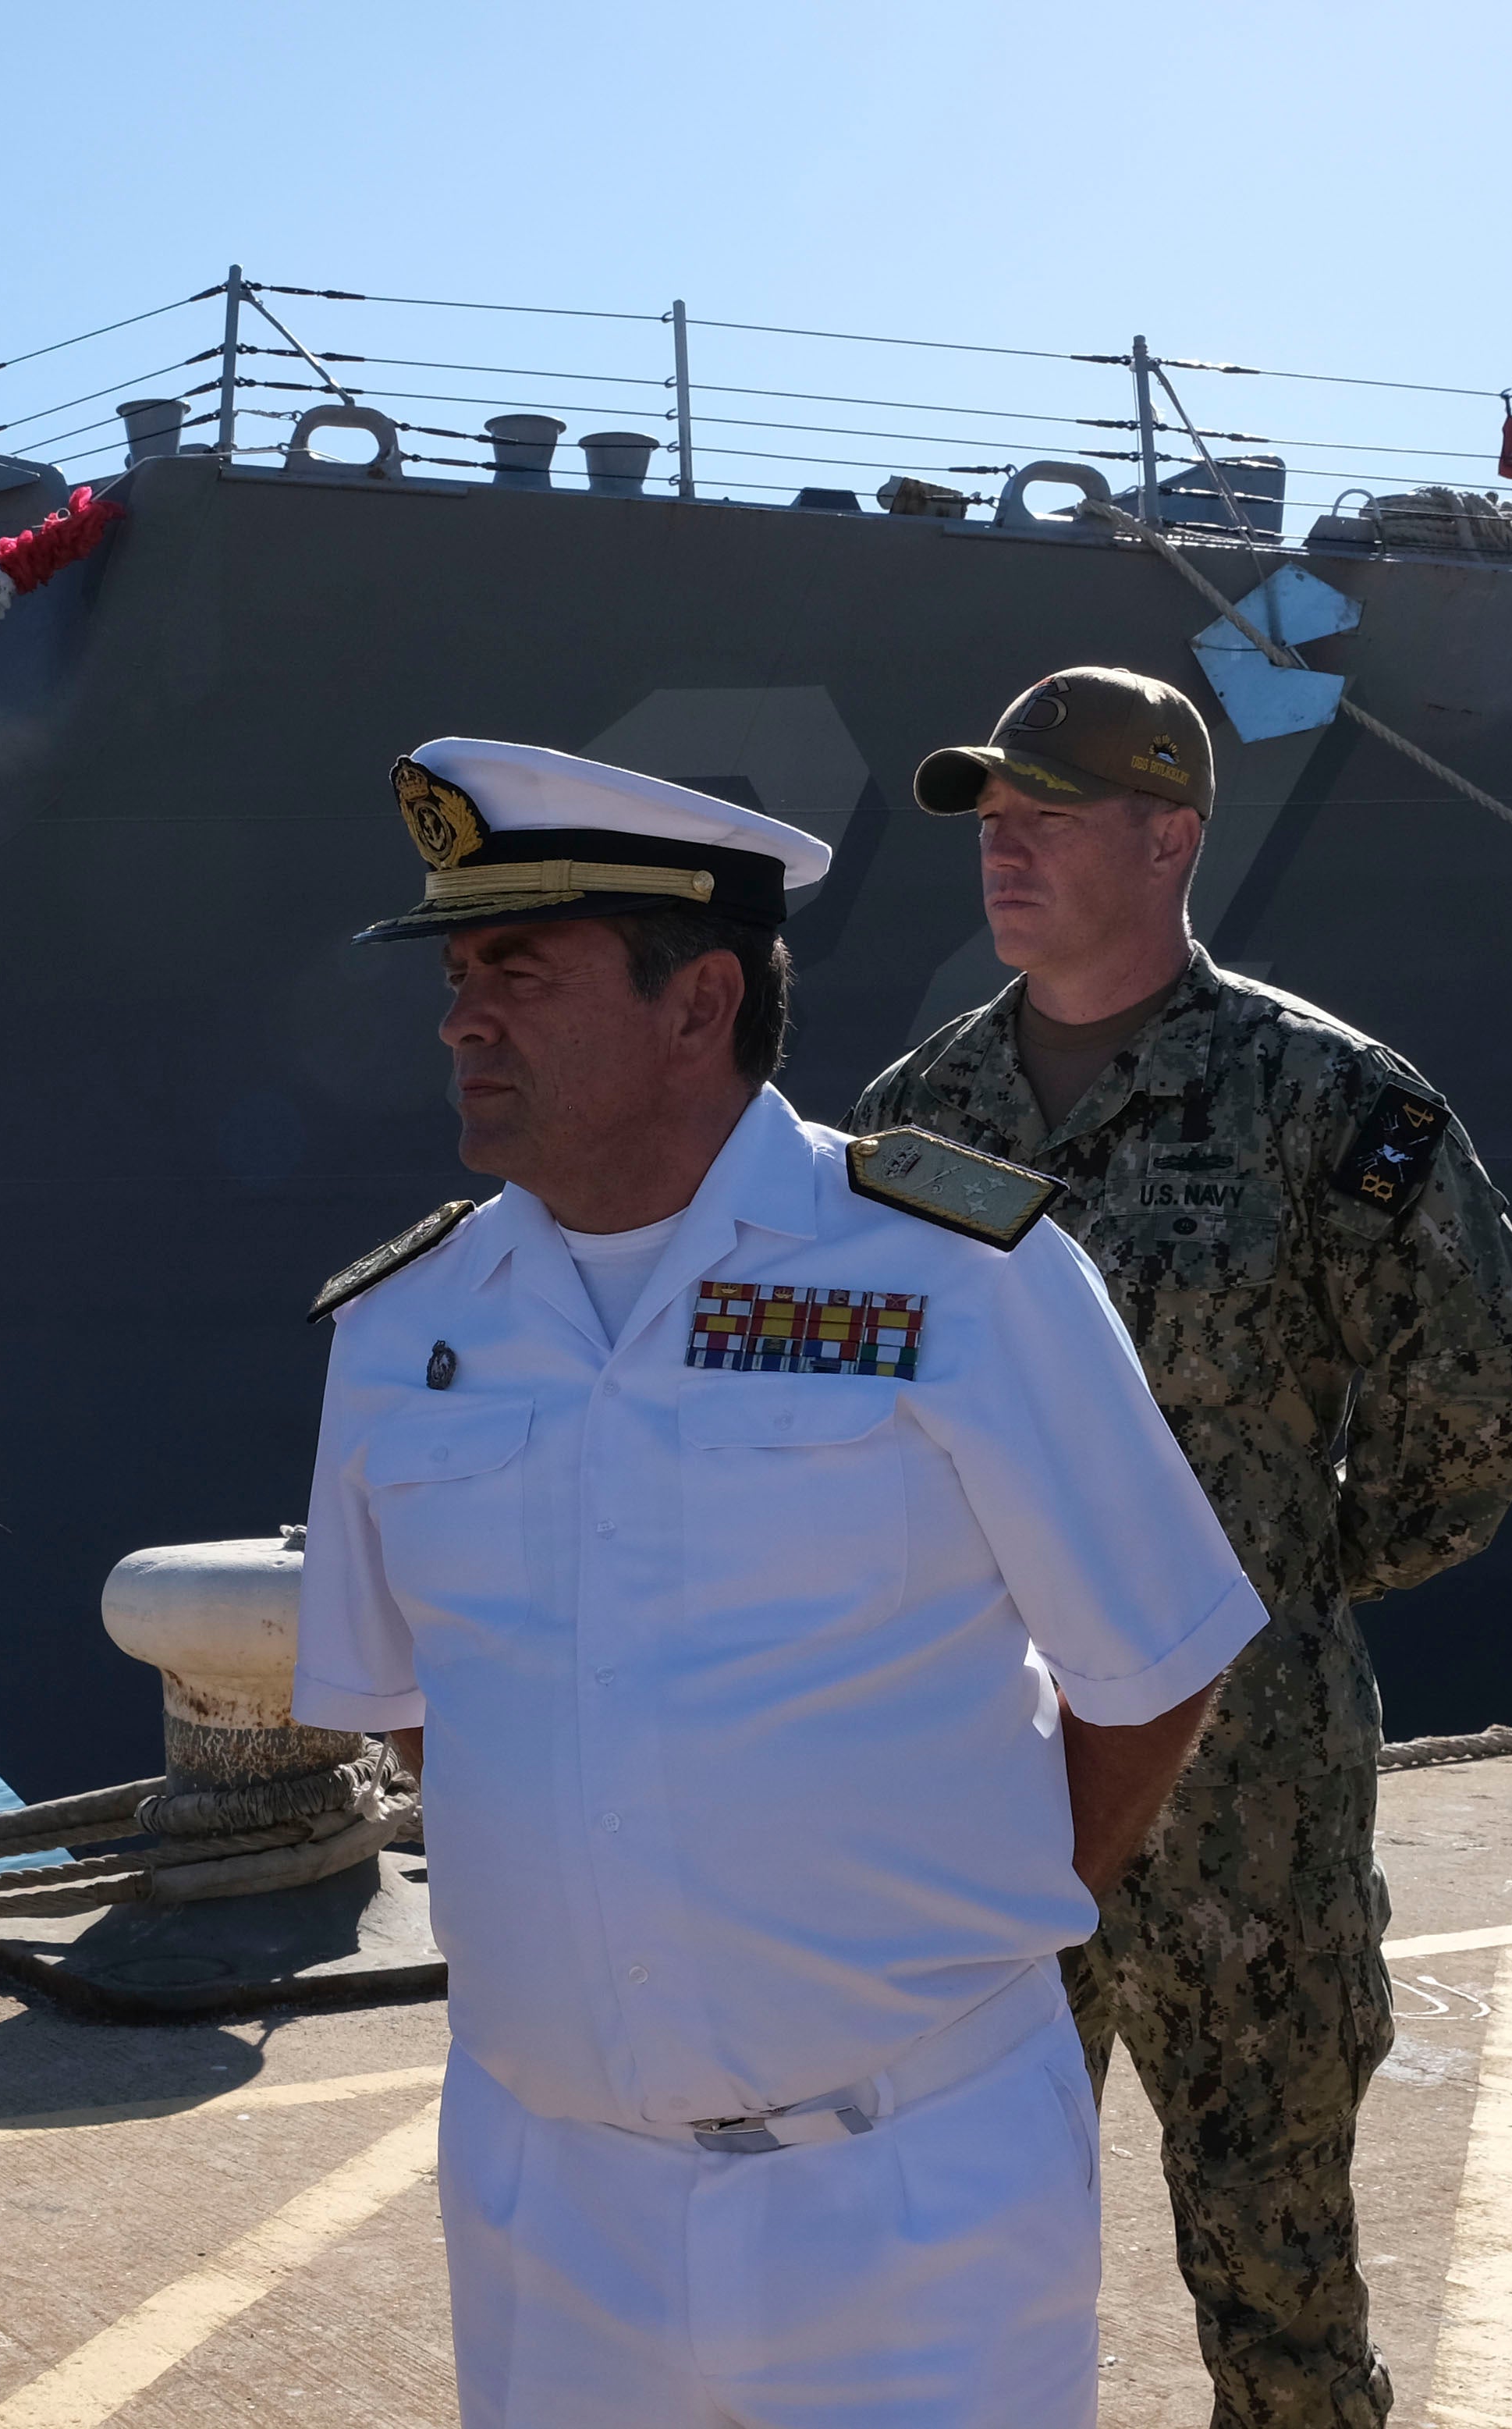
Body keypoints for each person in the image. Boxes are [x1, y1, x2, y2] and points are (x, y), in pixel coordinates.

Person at [290, 737, 1276, 2427]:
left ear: (699, 1001)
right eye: (455, 977)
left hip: (908, 2197)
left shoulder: (950, 1273)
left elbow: (1153, 1655)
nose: (461, 1020)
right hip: (552, 2197)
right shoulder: (405, 1326)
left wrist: (962, 1944)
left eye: (517, 971)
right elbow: (422, 1714)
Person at [855, 667, 1512, 2427]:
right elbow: (854, 1426)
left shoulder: (1329, 1099)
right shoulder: (917, 1115)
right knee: (944, 2278)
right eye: (988, 819)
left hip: (1250, 1816)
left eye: (1045, 815)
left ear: (1166, 839)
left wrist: (1274, 1578)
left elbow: (1472, 1409)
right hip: (985, 1794)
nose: (1001, 848)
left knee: (1277, 2292)